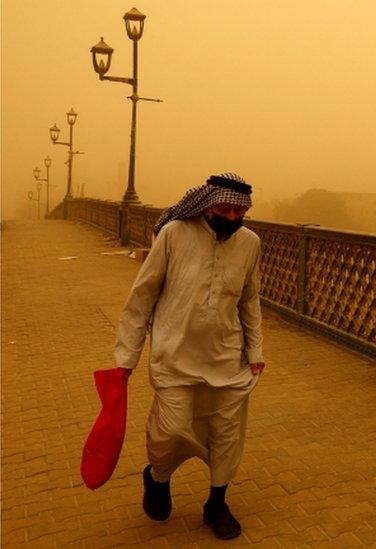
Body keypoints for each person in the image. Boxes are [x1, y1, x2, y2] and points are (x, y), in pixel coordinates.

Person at [113, 172, 265, 540]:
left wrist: (255, 349)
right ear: (207, 204)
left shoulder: (250, 242)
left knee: (227, 434)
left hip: (227, 358)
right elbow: (142, 298)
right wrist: (125, 358)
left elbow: (249, 299)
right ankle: (158, 477)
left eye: (238, 211)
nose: (231, 217)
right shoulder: (174, 234)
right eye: (224, 208)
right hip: (174, 356)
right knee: (169, 431)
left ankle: (217, 503)